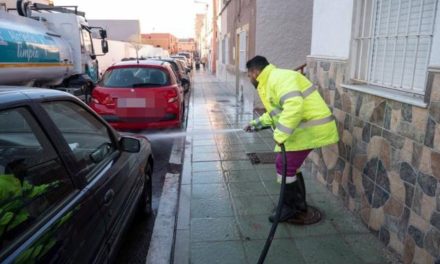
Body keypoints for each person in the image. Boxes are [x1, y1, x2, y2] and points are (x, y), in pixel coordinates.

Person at [244, 56, 339, 223]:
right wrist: (256, 124)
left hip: (313, 129)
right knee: (290, 166)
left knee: (283, 163)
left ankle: (289, 207)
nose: (249, 78)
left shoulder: (279, 78)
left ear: (255, 72)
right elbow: (276, 112)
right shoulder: (270, 82)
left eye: (248, 74)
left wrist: (279, 135)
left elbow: (294, 106)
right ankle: (298, 204)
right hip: (303, 130)